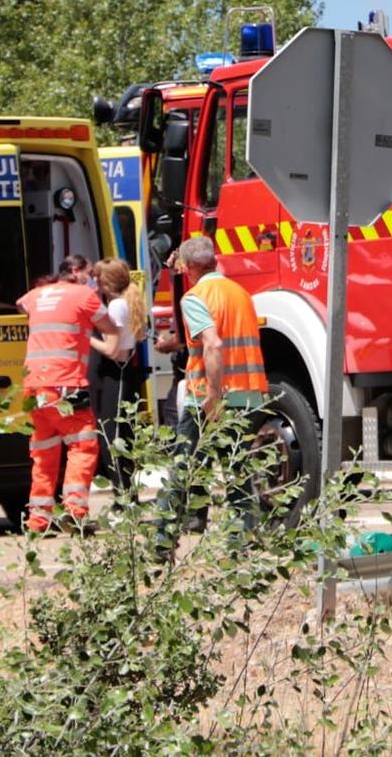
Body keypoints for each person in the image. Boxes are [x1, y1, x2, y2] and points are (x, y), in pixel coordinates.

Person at [152, 236, 270, 553]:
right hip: (248, 395)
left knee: (183, 468)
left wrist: (213, 395)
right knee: (238, 473)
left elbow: (213, 344)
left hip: (209, 399)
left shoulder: (195, 297)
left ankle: (162, 543)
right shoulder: (241, 294)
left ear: (190, 268)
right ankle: (240, 544)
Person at [18, 258, 105, 533]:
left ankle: (37, 520)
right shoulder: (84, 295)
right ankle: (74, 512)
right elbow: (111, 325)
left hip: (35, 386)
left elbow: (21, 305)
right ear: (76, 273)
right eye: (90, 273)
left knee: (44, 453)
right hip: (66, 386)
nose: (91, 278)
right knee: (83, 446)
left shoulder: (36, 294)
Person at [88, 257, 149, 491]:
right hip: (125, 371)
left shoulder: (116, 306)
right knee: (120, 433)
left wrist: (87, 337)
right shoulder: (126, 302)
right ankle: (124, 492)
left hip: (117, 372)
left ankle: (122, 493)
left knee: (112, 435)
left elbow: (111, 349)